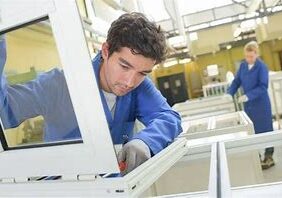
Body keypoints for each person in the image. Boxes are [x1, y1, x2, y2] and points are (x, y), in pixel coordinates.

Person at [0, 13, 182, 175]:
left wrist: (146, 141)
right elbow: (5, 111)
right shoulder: (60, 84)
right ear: (105, 51)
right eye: (124, 66)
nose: (130, 82)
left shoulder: (140, 88)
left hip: (115, 187)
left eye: (142, 73)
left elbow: (168, 117)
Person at [227, 41, 274, 170]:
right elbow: (236, 81)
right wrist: (229, 93)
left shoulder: (262, 67)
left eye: (251, 56)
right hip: (249, 106)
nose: (249, 59)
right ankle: (256, 156)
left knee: (266, 130)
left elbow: (263, 86)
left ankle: (269, 156)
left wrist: (248, 96)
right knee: (251, 130)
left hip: (261, 103)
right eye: (247, 56)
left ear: (256, 54)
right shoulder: (243, 66)